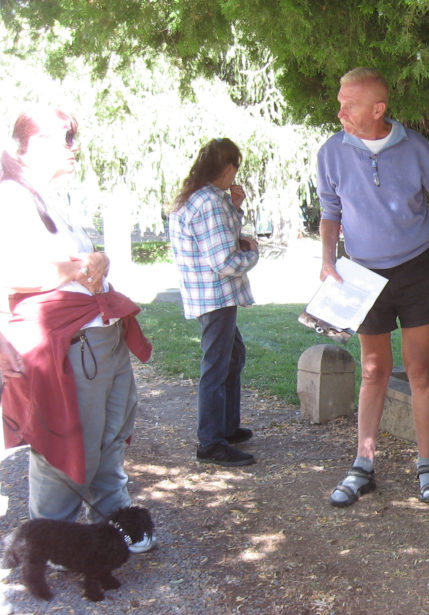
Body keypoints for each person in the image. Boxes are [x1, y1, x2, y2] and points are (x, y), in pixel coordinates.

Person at [316, 67, 429, 506]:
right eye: (340, 101)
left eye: (350, 104)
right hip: (362, 276)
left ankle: (426, 466)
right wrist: (326, 259)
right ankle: (363, 465)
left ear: (378, 109)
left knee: (420, 371)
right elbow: (330, 211)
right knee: (373, 370)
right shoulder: (331, 153)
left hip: (416, 271)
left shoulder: (416, 148)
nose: (340, 110)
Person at [0, 107, 155, 553]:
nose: (76, 146)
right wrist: (77, 266)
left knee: (110, 430)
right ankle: (49, 539)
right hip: (66, 344)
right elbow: (11, 270)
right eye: (66, 137)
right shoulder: (12, 196)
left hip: (97, 336)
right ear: (34, 143)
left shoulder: (49, 196)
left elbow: (77, 265)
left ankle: (110, 520)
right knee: (65, 438)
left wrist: (95, 261)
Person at [168, 138, 260, 468]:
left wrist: (235, 207)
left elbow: (220, 236)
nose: (236, 173)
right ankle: (211, 441)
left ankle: (226, 427)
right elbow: (224, 259)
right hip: (215, 295)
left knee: (233, 356)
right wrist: (252, 254)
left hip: (209, 294)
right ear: (226, 166)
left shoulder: (201, 197)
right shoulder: (207, 202)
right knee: (217, 366)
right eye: (235, 166)